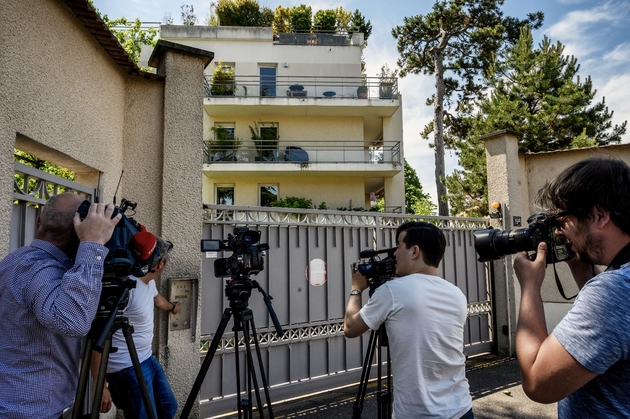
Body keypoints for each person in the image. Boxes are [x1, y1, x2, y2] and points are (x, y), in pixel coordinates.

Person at [514, 157, 630, 418]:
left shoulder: (614, 291)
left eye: (561, 220)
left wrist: (530, 287)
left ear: (600, 215)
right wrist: (579, 266)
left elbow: (537, 383)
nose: (557, 233)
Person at [0, 193, 121, 418]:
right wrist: (92, 246)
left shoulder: (14, 259)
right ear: (78, 234)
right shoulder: (43, 272)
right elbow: (73, 322)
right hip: (28, 408)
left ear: (38, 223)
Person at [344, 221, 473, 419]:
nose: (394, 254)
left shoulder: (393, 291)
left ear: (414, 251)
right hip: (461, 408)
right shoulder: (457, 294)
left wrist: (356, 288)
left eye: (398, 246)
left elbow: (350, 328)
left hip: (418, 413)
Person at [93, 236, 180, 418]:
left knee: (168, 406)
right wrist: (100, 387)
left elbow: (157, 300)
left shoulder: (148, 282)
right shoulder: (128, 289)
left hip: (147, 358)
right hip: (126, 367)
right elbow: (98, 337)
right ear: (161, 264)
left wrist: (173, 308)